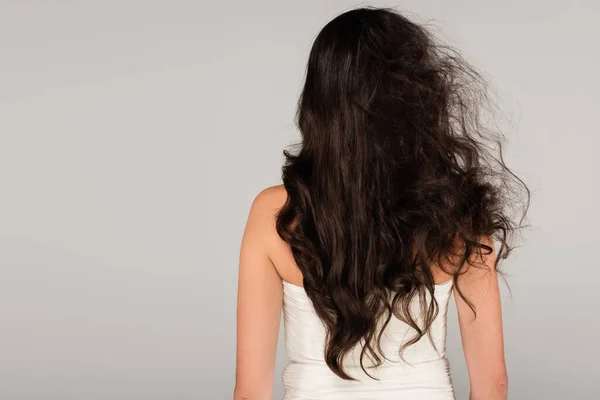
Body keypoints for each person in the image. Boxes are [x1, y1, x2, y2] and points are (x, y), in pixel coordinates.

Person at [234, 7, 529, 400]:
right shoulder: (459, 214)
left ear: (319, 103)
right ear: (421, 97)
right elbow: (494, 383)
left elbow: (251, 389)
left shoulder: (274, 213)